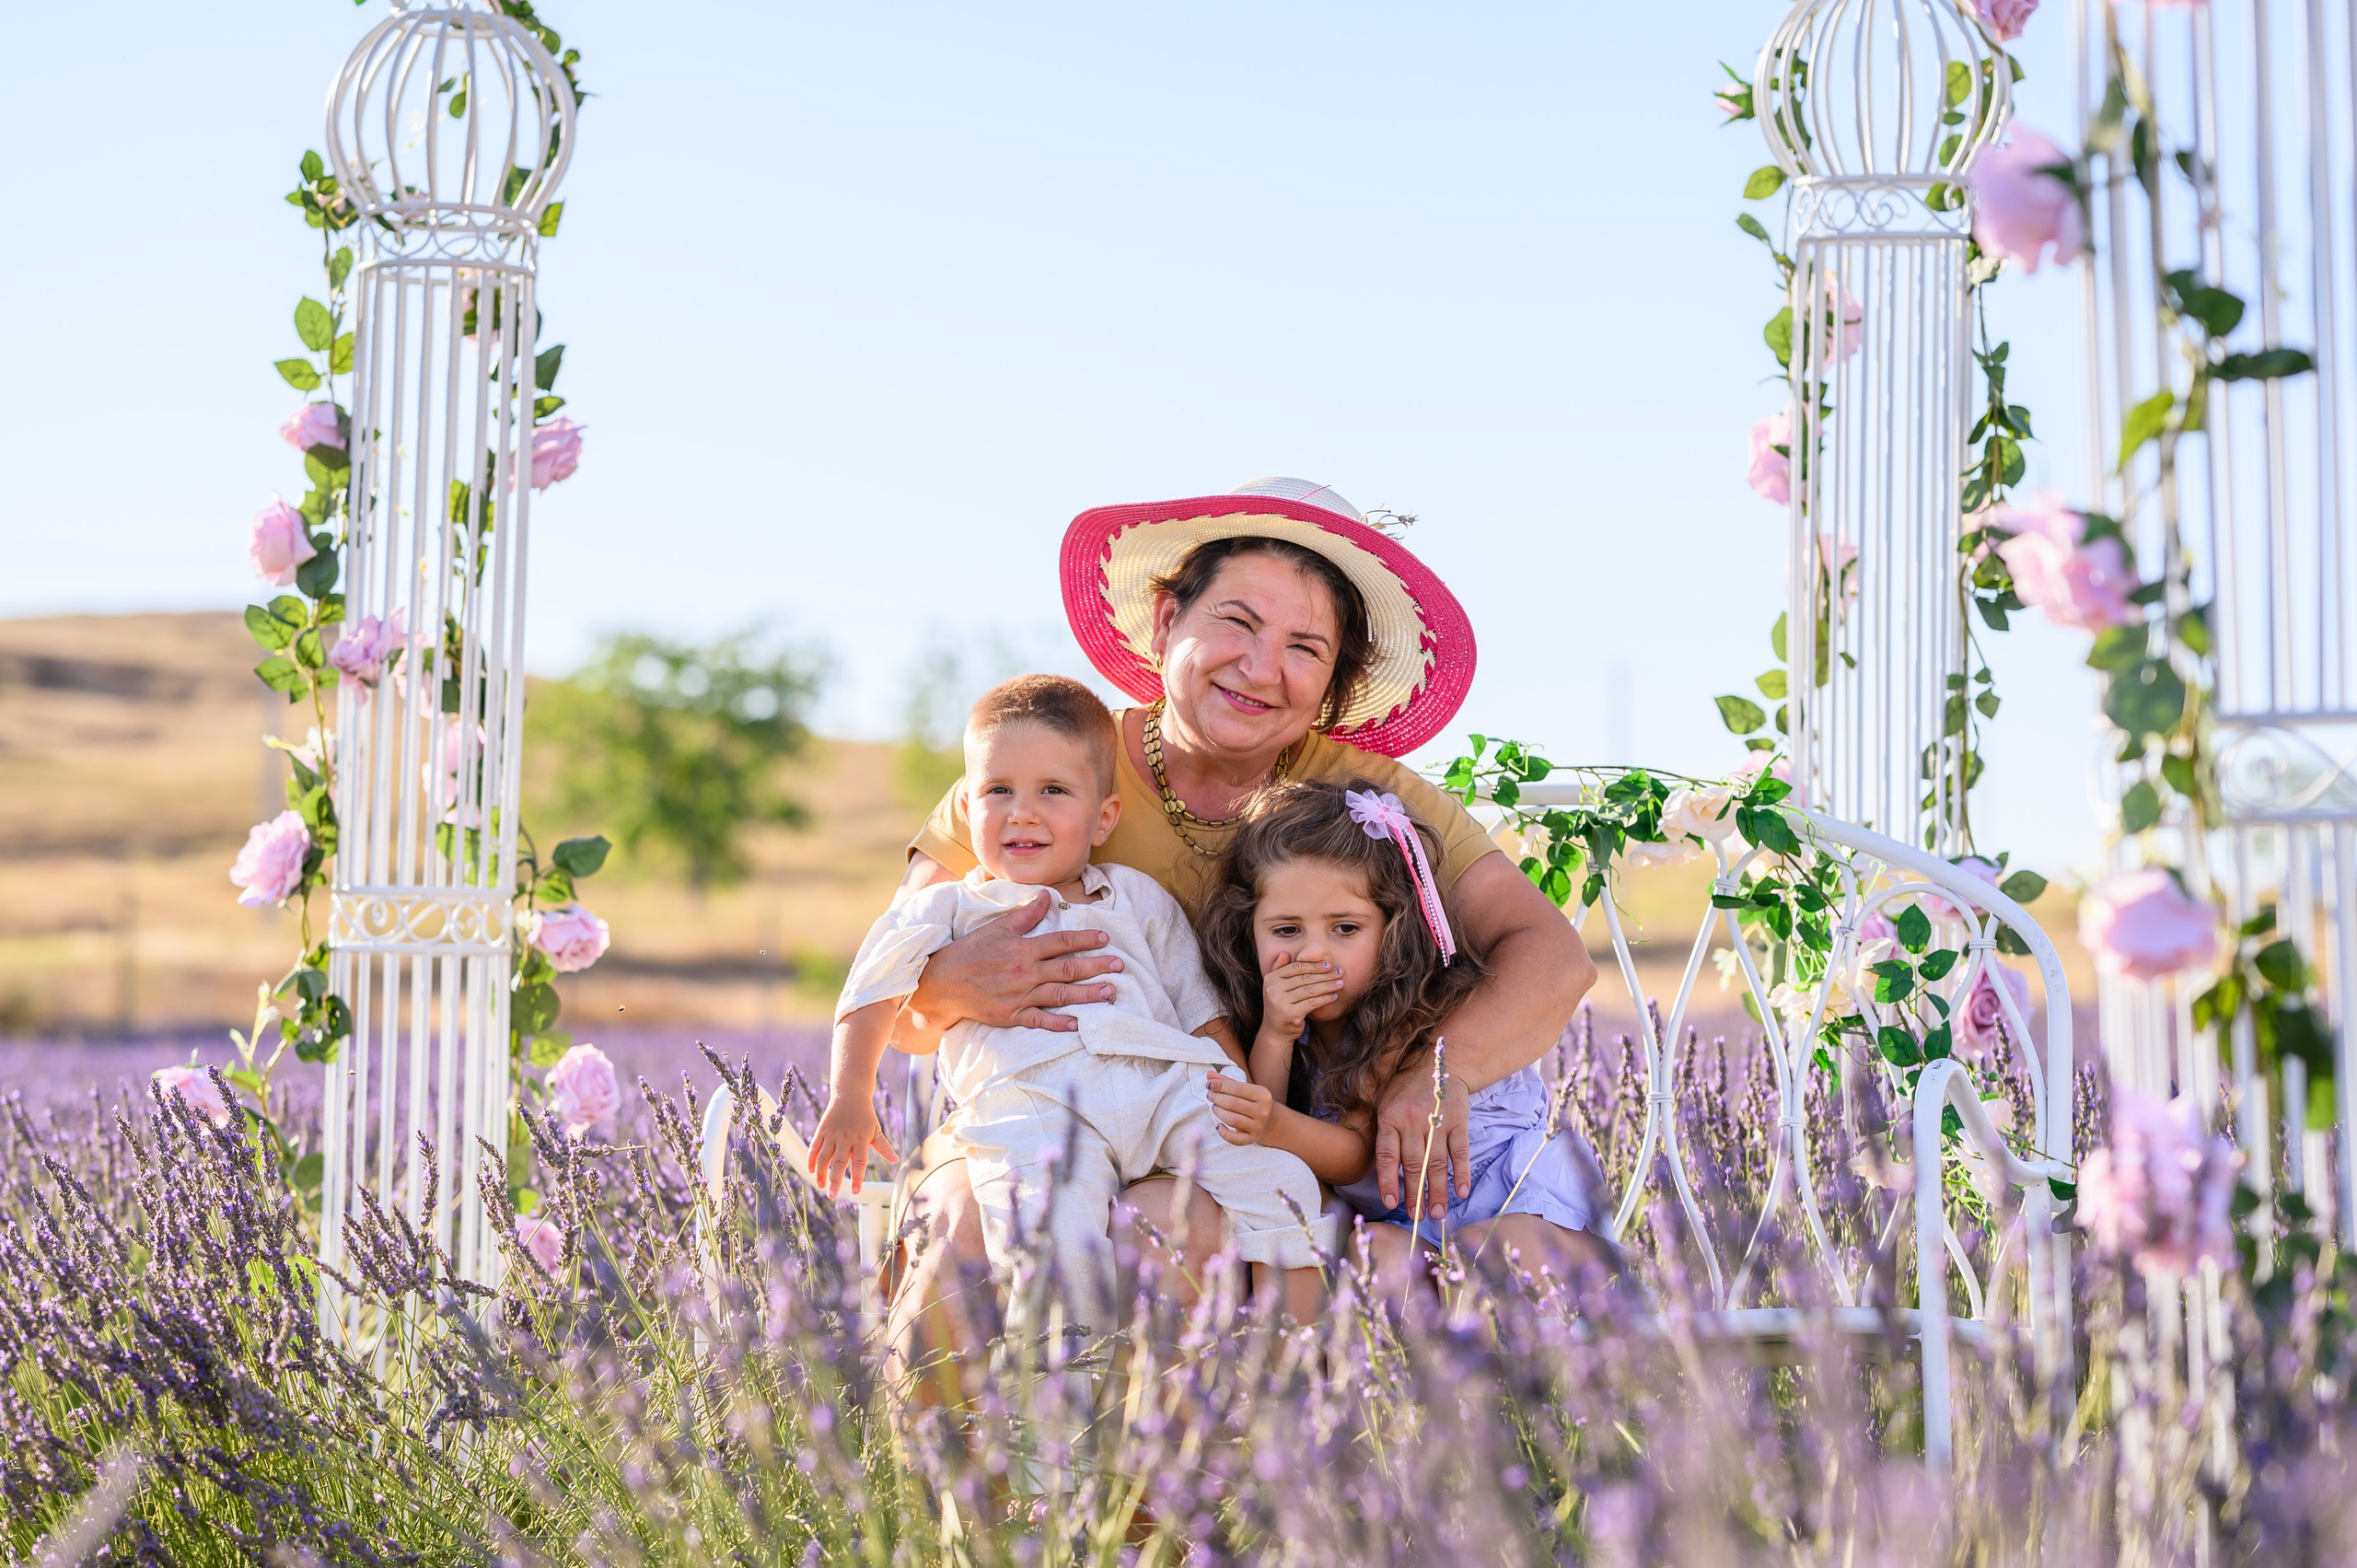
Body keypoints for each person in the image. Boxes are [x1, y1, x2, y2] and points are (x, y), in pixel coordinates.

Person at [866, 477, 1598, 1398]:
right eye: (1236, 622)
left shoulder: (1367, 798)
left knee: (1169, 1222)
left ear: (1333, 682)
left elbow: (1552, 955)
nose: (1260, 666)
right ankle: (933, 1526)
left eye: (1304, 647)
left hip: (1227, 1149)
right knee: (963, 1224)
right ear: (1167, 617)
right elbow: (891, 994)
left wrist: (1436, 1074)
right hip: (1027, 1123)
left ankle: (1153, 1527)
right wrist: (954, 983)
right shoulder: (1053, 769)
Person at [809, 675, 1323, 1333]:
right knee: (1053, 1251)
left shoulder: (1136, 898)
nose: (1023, 811)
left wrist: (1239, 1093)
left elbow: (1200, 1013)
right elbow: (871, 988)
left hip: (1159, 1086)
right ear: (967, 808)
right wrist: (850, 1092)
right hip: (1033, 1107)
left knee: (1283, 1185)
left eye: (1053, 790)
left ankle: (1298, 1365)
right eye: (1000, 790)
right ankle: (1059, 1408)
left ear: (1103, 816)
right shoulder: (950, 907)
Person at [1194, 778, 1615, 1299]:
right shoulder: (1281, 1028)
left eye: (1345, 929)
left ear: (1392, 928)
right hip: (1407, 1221)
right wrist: (1277, 1034)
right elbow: (1269, 1119)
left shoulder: (1409, 1015)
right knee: (1376, 1256)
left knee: (1487, 1258)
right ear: (1247, 929)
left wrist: (1271, 1120)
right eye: (1286, 930)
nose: (1313, 954)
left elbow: (1345, 1151)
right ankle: (1426, 1379)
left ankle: (1515, 1372)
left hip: (1509, 1195)